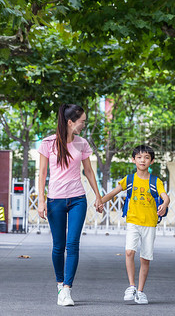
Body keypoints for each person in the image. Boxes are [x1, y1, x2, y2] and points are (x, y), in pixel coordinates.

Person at [38, 104, 103, 307]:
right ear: (70, 122)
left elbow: (89, 172)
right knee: (59, 246)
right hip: (55, 200)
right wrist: (41, 201)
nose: (84, 124)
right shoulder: (48, 143)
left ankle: (67, 289)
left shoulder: (82, 143)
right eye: (82, 121)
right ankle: (59, 284)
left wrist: (98, 196)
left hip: (77, 199)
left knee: (73, 244)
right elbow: (41, 174)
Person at [100, 144, 170, 305]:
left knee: (145, 258)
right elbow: (113, 193)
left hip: (150, 224)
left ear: (151, 161)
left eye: (146, 157)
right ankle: (131, 286)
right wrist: (100, 202)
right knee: (129, 252)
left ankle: (140, 291)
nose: (142, 160)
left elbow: (165, 196)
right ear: (133, 160)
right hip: (132, 221)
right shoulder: (129, 179)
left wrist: (164, 204)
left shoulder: (155, 181)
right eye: (139, 157)